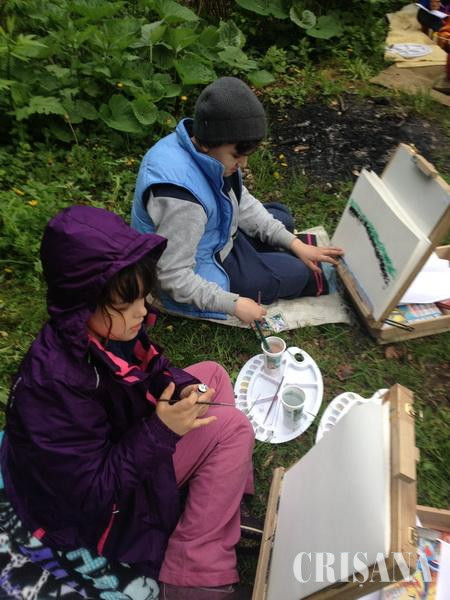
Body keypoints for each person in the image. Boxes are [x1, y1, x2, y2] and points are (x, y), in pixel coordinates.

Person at [0, 205, 255, 600]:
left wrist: (182, 387)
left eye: (141, 296)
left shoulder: (102, 333)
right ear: (83, 304)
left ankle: (219, 496)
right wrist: (162, 431)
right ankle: (192, 575)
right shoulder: (56, 386)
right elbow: (90, 495)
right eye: (126, 304)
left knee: (212, 376)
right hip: (96, 514)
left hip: (121, 444)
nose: (143, 310)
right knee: (233, 429)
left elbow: (151, 368)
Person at [131, 76, 344, 325]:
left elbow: (241, 202)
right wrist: (233, 304)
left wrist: (294, 243)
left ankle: (273, 254)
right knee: (299, 274)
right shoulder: (183, 202)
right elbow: (173, 278)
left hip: (210, 238)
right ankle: (269, 262)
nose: (243, 163)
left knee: (281, 216)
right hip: (200, 266)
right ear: (209, 142)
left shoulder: (201, 149)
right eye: (237, 155)